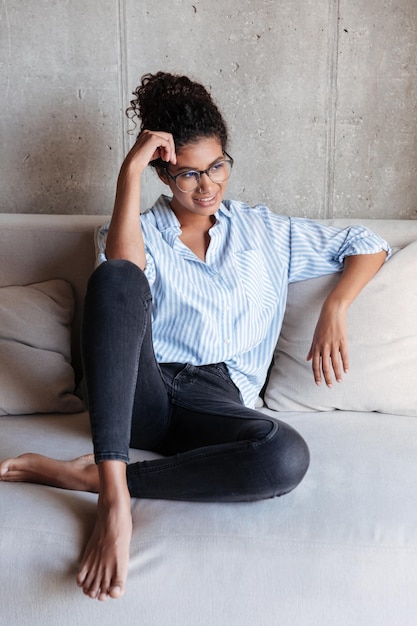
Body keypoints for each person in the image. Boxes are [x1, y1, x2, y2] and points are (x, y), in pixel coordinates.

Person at [0, 72, 390, 602]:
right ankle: (115, 497)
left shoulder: (263, 231)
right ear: (164, 175)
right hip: (142, 394)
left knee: (284, 456)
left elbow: (364, 242)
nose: (207, 186)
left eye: (217, 167)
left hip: (216, 403)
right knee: (116, 275)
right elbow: (123, 273)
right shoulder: (141, 232)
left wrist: (336, 306)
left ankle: (92, 478)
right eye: (188, 174)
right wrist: (127, 173)